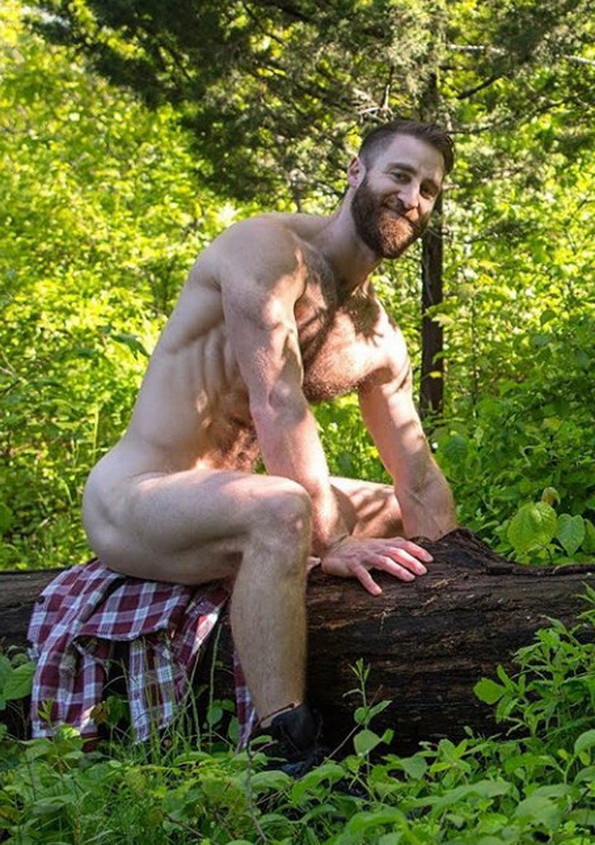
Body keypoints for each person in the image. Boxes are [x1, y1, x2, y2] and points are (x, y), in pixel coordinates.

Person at [82, 117, 458, 772]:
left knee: (390, 511)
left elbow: (417, 477)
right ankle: (286, 748)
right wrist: (331, 543)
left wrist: (459, 584)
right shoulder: (266, 251)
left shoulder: (374, 333)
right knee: (284, 510)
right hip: (139, 495)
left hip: (230, 495)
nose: (410, 198)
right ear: (355, 172)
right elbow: (277, 401)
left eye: (427, 189)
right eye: (399, 175)